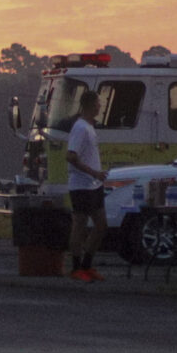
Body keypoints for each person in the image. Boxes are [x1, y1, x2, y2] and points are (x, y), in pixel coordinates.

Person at [64, 88, 107, 282]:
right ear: (90, 105)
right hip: (81, 185)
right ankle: (76, 268)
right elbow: (71, 156)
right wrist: (94, 172)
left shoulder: (90, 127)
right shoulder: (80, 128)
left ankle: (87, 265)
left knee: (101, 225)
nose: (100, 106)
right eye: (98, 103)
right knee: (79, 225)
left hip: (94, 185)